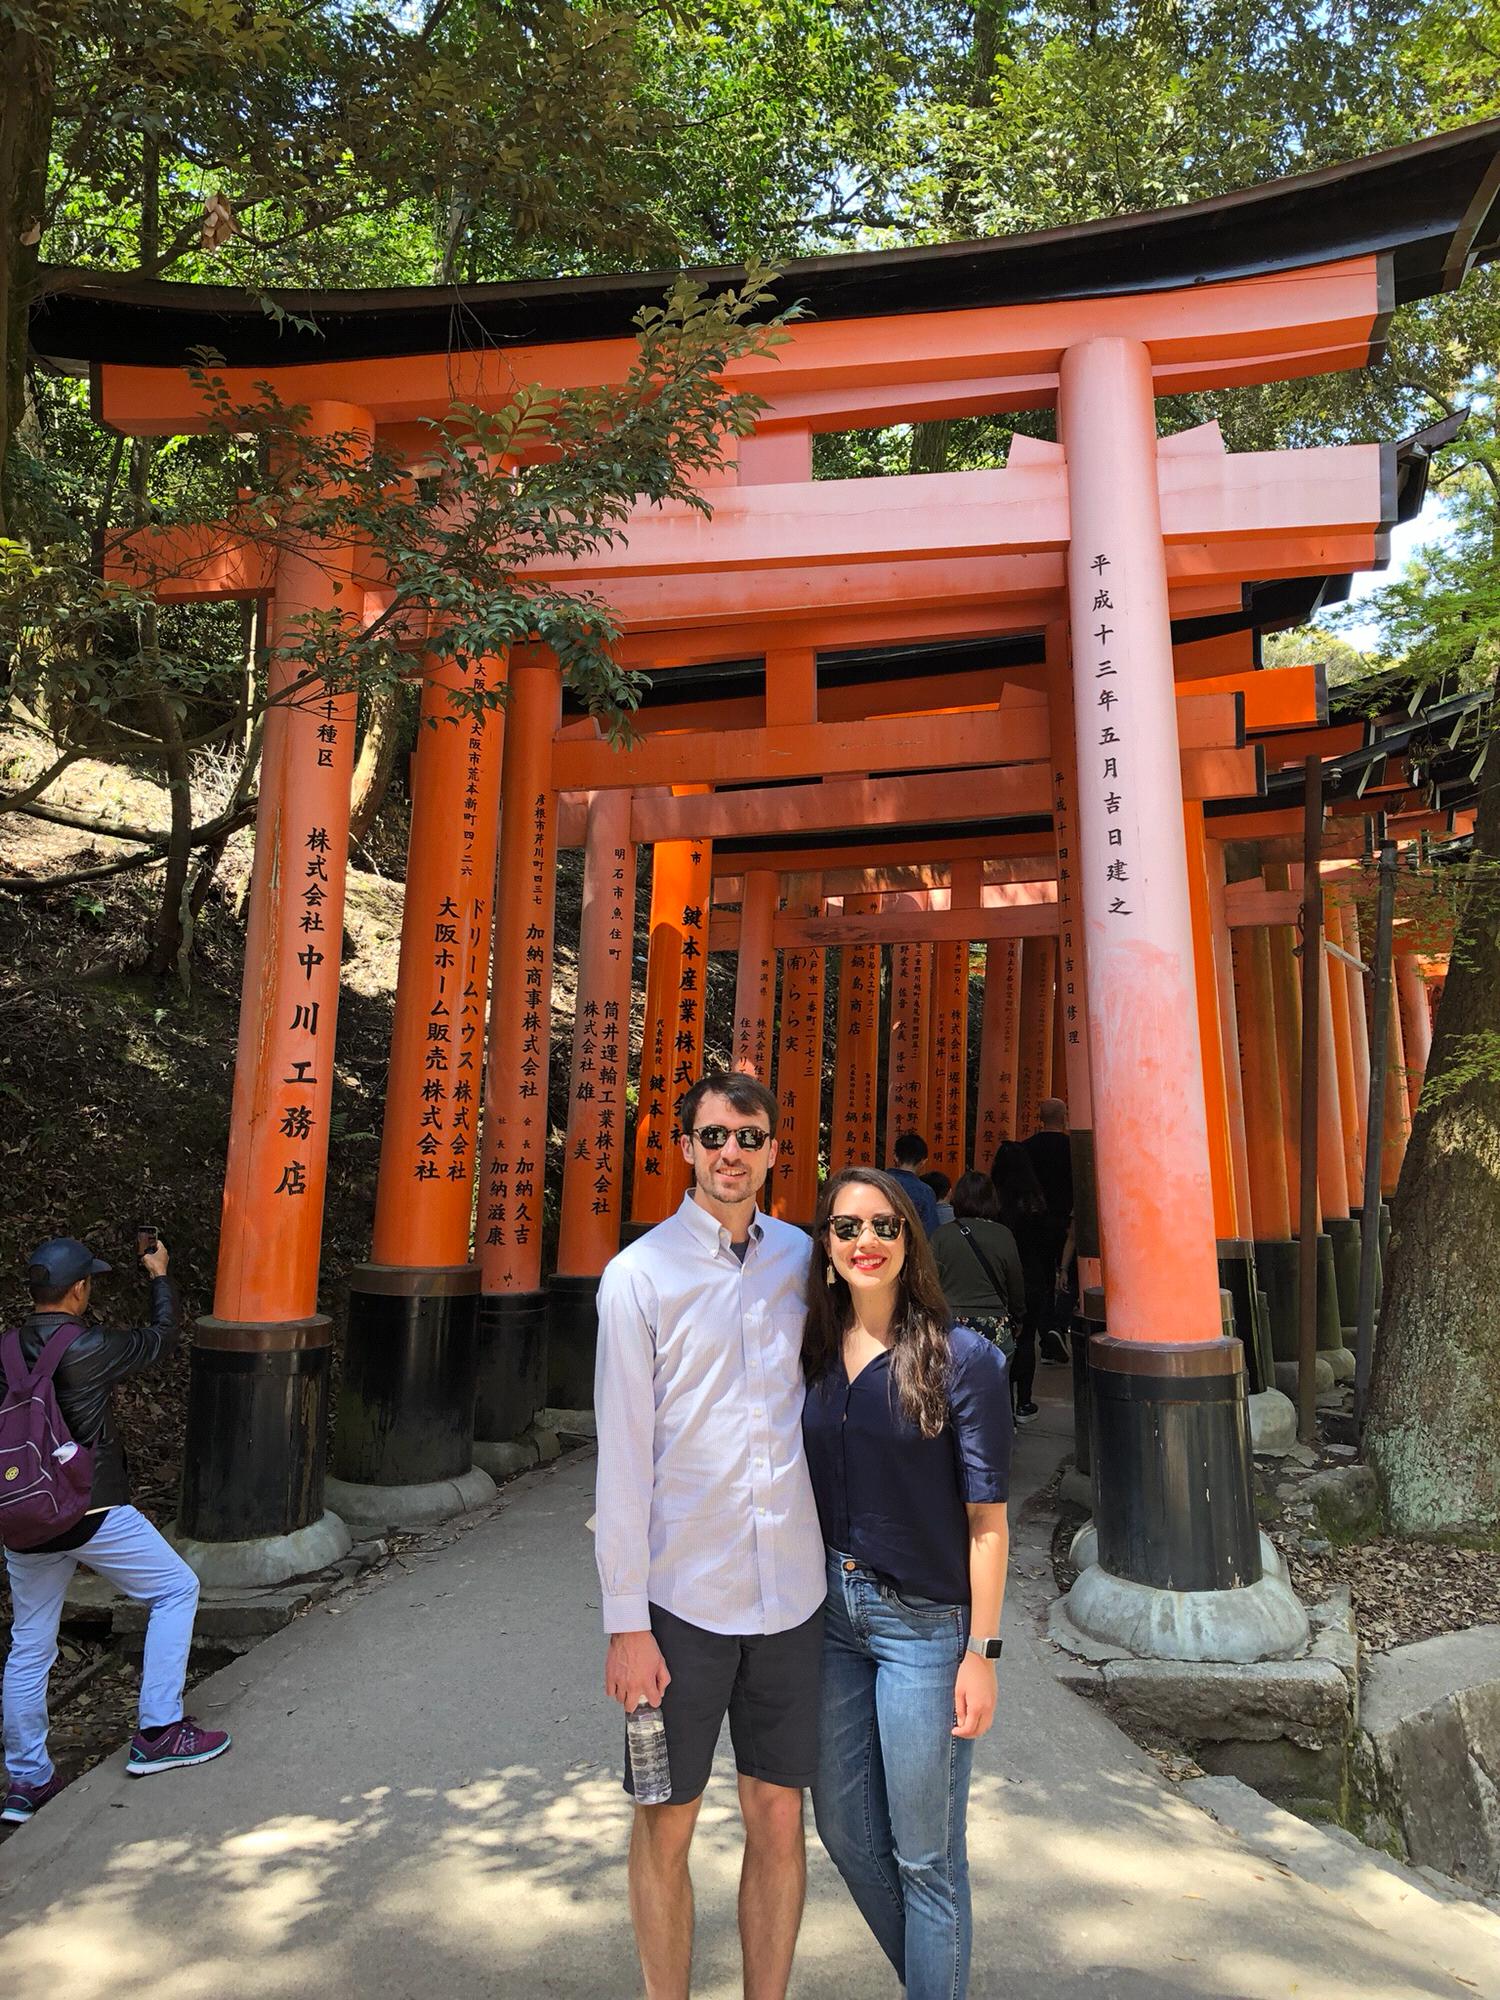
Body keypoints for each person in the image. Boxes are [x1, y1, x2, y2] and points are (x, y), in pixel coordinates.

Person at [594, 1072, 825, 2000]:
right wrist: (625, 1622)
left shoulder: (807, 1259)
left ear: (775, 1151)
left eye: (751, 1136)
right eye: (714, 1135)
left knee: (778, 1815)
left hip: (793, 1594)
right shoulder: (638, 1277)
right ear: (685, 1146)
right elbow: (621, 1457)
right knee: (666, 1819)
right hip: (680, 1597)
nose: (732, 1152)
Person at [802, 1167, 1011, 2000]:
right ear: (826, 1248)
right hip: (832, 1618)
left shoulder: (964, 1361)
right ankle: (939, 1978)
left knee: (927, 1855)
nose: (866, 1242)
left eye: (884, 1226)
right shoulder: (813, 1353)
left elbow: (988, 1523)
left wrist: (981, 1653)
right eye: (847, 1228)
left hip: (924, 1627)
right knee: (848, 1832)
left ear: (909, 1241)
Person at [2, 1235, 230, 1826]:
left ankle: (28, 1781)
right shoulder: (88, 1346)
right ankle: (158, 1731)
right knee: (176, 1589)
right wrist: (160, 1278)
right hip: (88, 1509)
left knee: (30, 1643)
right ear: (79, 1289)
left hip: (22, 1512)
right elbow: (160, 1342)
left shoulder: (3, 1351)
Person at [931, 1170, 1026, 1369]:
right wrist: (1018, 1317)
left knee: (951, 1389)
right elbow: (1015, 1281)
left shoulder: (941, 1235)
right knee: (993, 1391)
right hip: (994, 1324)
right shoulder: (1003, 1235)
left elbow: (929, 1281)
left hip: (951, 1325)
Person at [990, 1142, 1052, 1423]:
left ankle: (1004, 1401)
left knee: (1001, 1339)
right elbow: (1045, 1245)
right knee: (1027, 1339)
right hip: (1033, 1276)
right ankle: (1024, 1403)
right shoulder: (1036, 1202)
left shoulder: (994, 1202)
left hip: (999, 1276)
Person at [1023, 1099, 1075, 1365]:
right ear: (1065, 1116)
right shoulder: (1072, 1149)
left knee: (1041, 1281)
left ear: (1039, 1118)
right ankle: (1059, 1323)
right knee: (1070, 1276)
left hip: (1034, 1224)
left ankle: (1046, 1337)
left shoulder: (1026, 1150)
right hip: (1067, 1222)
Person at [888, 1132, 941, 1237]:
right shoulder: (925, 1192)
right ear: (923, 1161)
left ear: (895, 1157)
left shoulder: (877, 1182)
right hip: (910, 1249)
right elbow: (930, 1232)